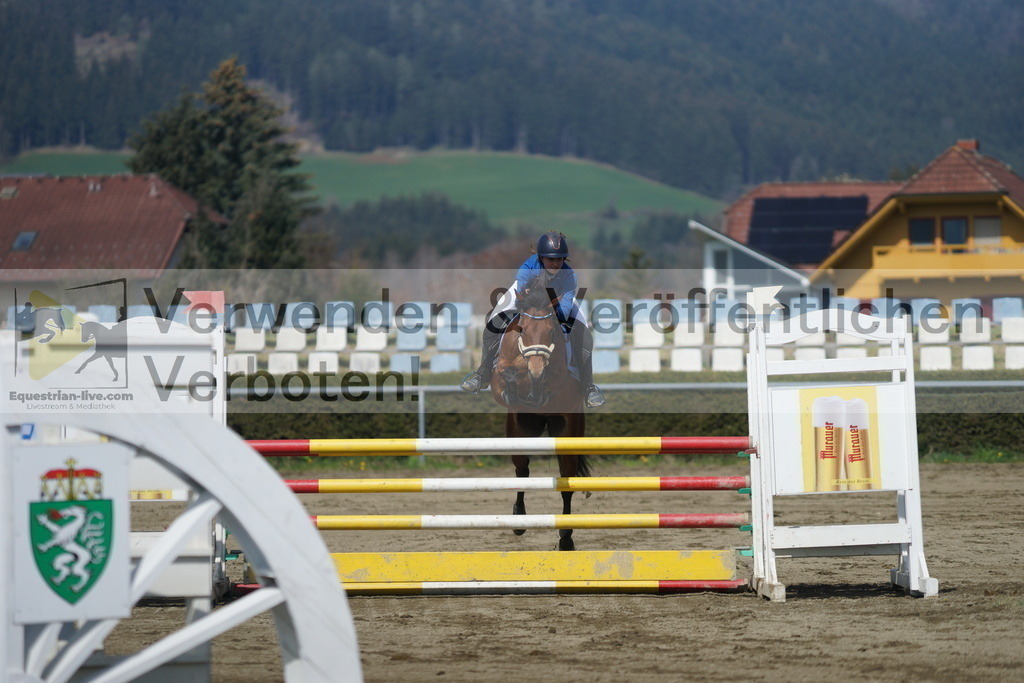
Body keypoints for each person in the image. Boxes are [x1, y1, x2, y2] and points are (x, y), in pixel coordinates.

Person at [460, 231, 606, 408]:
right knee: (494, 324)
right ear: (541, 257)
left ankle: (588, 386)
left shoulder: (569, 276)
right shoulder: (528, 268)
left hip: (556, 301)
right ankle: (482, 374)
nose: (555, 263)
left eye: (559, 259)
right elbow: (522, 296)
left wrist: (552, 314)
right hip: (524, 299)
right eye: (550, 259)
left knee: (584, 333)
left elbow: (565, 308)